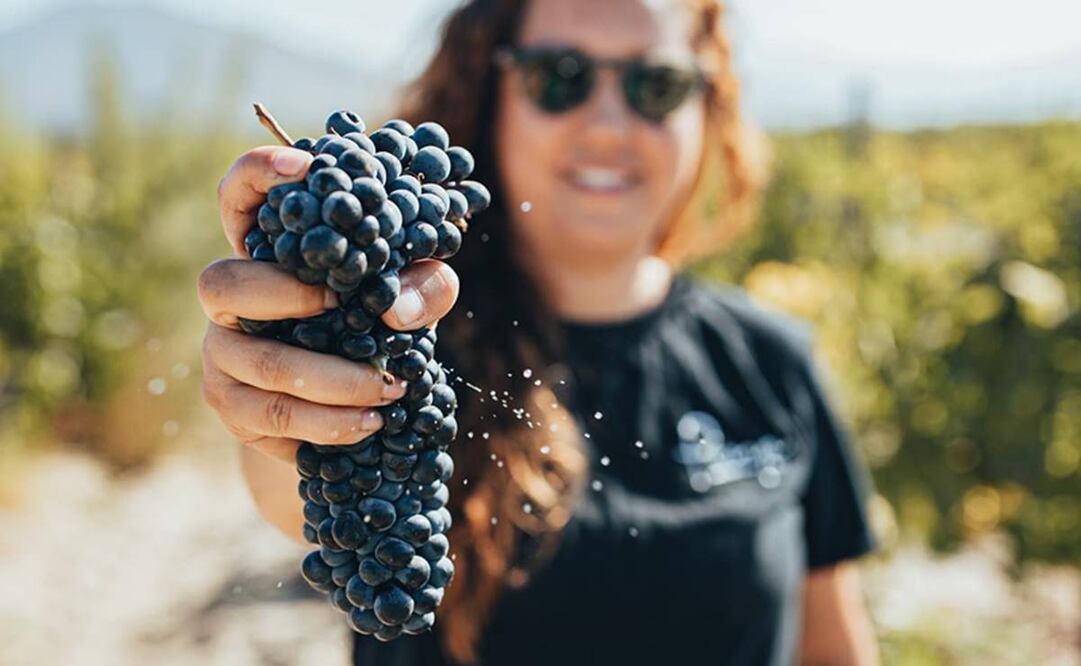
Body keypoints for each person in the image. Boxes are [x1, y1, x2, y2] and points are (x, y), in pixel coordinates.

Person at [197, 0, 882, 664]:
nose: (609, 124)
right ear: (491, 94)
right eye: (559, 76)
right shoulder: (404, 334)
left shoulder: (771, 359)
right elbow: (301, 487)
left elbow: (829, 647)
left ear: (707, 106)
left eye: (656, 83)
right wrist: (297, 366)